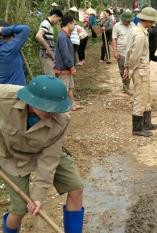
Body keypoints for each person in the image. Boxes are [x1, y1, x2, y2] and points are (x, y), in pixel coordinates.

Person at [0, 76, 84, 233]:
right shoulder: (4, 97)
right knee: (19, 209)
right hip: (11, 156)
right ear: (32, 101)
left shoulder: (62, 120)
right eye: (48, 107)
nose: (53, 112)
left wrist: (38, 196)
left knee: (76, 187)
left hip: (43, 149)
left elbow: (49, 159)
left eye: (57, 107)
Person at [124, 7, 157, 137]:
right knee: (140, 97)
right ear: (148, 20)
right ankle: (137, 128)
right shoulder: (139, 34)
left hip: (142, 69)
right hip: (140, 70)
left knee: (146, 96)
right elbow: (134, 55)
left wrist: (128, 67)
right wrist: (130, 69)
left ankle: (146, 123)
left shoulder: (139, 31)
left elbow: (129, 51)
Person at [54, 15, 82, 111]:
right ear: (69, 24)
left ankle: (72, 104)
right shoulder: (62, 36)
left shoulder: (65, 35)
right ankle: (60, 107)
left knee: (70, 87)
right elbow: (65, 54)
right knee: (63, 88)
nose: (74, 26)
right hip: (63, 68)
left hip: (67, 67)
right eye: (73, 23)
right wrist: (71, 66)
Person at [35, 9, 63, 76]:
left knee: (54, 74)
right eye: (58, 20)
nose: (58, 22)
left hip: (49, 55)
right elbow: (38, 36)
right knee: (50, 76)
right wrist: (48, 48)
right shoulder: (46, 23)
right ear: (54, 16)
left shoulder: (49, 25)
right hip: (46, 55)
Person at [112, 12, 134, 92]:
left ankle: (129, 82)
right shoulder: (117, 26)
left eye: (129, 21)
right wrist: (115, 51)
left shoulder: (133, 25)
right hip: (121, 51)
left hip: (131, 52)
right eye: (127, 21)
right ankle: (125, 84)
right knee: (122, 69)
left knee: (131, 69)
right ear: (122, 20)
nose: (128, 22)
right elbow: (114, 39)